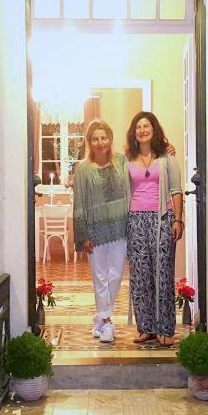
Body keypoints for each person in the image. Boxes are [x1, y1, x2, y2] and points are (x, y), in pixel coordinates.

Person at [125, 112, 184, 347]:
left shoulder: (167, 157)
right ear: (134, 132)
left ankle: (165, 328)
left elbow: (176, 190)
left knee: (163, 274)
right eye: (138, 127)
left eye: (146, 126)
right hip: (135, 220)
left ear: (154, 129)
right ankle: (146, 328)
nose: (142, 130)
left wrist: (178, 220)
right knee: (140, 276)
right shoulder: (127, 159)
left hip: (162, 219)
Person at [72, 120, 130, 343]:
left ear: (110, 139)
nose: (100, 142)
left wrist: (167, 151)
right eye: (95, 138)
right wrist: (82, 234)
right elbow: (79, 203)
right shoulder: (83, 169)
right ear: (89, 142)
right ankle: (106, 322)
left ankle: (101, 316)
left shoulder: (122, 161)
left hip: (120, 228)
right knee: (99, 276)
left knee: (116, 274)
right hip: (94, 231)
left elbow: (145, 163)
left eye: (103, 137)